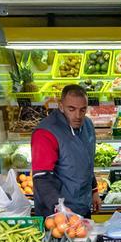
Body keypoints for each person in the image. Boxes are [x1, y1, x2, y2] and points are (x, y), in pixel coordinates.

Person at [31, 84, 100, 218]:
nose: (78, 115)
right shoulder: (45, 133)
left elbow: (87, 161)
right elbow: (42, 178)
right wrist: (59, 208)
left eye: (82, 109)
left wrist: (94, 190)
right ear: (61, 106)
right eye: (71, 109)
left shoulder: (88, 125)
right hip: (56, 214)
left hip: (82, 207)